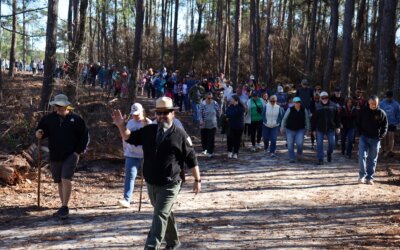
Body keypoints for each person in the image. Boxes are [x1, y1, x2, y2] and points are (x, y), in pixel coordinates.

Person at [112, 97, 201, 249]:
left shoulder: (179, 135)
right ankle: (173, 242)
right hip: (151, 182)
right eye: (159, 113)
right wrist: (121, 126)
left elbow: (191, 159)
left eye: (165, 113)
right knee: (163, 212)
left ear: (172, 113)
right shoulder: (149, 130)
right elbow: (129, 137)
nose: (161, 116)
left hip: (171, 183)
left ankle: (151, 246)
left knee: (159, 214)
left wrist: (197, 180)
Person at [35, 94, 89, 219]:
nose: (57, 108)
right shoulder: (49, 119)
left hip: (71, 154)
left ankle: (65, 207)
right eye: (56, 106)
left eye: (60, 106)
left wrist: (77, 152)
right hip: (55, 153)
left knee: (66, 179)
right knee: (59, 181)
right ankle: (62, 206)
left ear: (66, 106)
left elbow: (85, 136)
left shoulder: (77, 120)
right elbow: (41, 131)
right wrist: (39, 133)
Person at [118, 103, 151, 208]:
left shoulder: (149, 123)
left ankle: (152, 197)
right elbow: (125, 137)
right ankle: (127, 199)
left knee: (149, 177)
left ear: (142, 112)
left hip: (146, 155)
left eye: (137, 114)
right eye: (133, 114)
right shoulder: (130, 124)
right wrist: (125, 149)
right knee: (130, 177)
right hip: (131, 154)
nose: (135, 116)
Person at [357, 95, 388, 185]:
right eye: (372, 103)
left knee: (372, 159)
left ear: (378, 103)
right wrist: (359, 134)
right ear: (368, 103)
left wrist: (381, 135)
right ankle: (362, 176)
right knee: (362, 156)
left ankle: (369, 178)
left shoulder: (381, 113)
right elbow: (357, 122)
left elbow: (385, 125)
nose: (373, 105)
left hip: (375, 138)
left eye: (375, 104)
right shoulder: (363, 111)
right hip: (364, 137)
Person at [311, 91, 341, 165]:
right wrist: (313, 129)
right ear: (320, 98)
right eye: (322, 98)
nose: (324, 99)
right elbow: (313, 119)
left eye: (326, 97)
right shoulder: (317, 106)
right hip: (320, 128)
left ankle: (329, 153)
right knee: (319, 144)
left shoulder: (333, 105)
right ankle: (320, 159)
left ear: (328, 97)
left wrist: (338, 127)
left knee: (332, 143)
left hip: (331, 128)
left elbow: (337, 117)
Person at [281, 97, 310, 163]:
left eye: (298, 102)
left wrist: (308, 128)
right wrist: (282, 127)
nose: (297, 103)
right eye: (295, 102)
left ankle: (299, 154)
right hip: (290, 129)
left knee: (300, 143)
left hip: (300, 129)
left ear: (300, 103)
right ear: (293, 103)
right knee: (290, 144)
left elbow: (307, 120)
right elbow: (284, 119)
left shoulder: (304, 109)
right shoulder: (290, 109)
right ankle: (292, 157)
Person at [379, 91, 400, 157]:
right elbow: (379, 112)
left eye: (390, 97)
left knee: (391, 135)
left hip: (392, 123)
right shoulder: (382, 103)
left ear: (392, 97)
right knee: (384, 136)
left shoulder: (396, 104)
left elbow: (398, 114)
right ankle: (383, 149)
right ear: (386, 97)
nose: (389, 99)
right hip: (384, 122)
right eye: (388, 97)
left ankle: (390, 150)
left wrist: (398, 122)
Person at [199, 93, 220, 157]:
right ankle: (205, 149)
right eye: (208, 98)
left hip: (213, 123)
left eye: (211, 98)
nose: (210, 99)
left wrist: (219, 118)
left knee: (211, 138)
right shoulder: (203, 104)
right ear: (205, 98)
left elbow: (219, 111)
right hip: (204, 123)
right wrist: (201, 120)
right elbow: (200, 113)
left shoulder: (215, 103)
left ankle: (210, 152)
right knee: (204, 137)